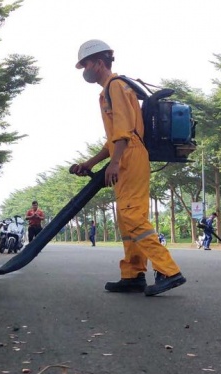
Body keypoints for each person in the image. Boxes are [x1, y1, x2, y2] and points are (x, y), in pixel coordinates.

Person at [69, 39, 186, 296]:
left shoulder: (116, 86)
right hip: (125, 153)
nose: (84, 71)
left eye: (85, 65)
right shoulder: (109, 90)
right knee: (125, 218)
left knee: (133, 215)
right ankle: (133, 274)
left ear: (99, 63)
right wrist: (91, 163)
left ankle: (169, 270)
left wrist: (115, 161)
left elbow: (124, 131)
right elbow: (113, 138)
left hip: (130, 155)